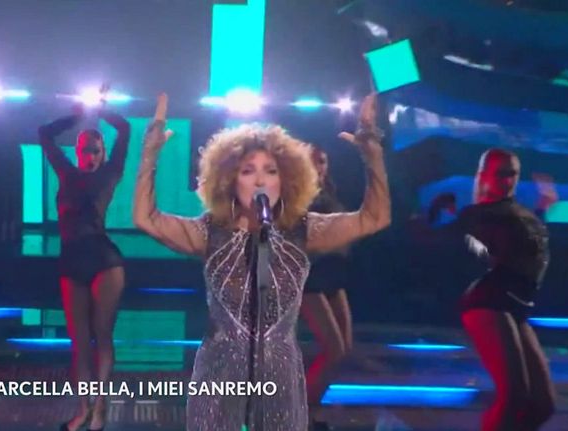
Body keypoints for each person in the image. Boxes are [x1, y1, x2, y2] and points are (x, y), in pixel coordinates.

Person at [133, 93, 390, 431]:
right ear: (228, 179)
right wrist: (149, 155)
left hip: (280, 376)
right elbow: (146, 218)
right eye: (247, 171)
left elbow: (374, 218)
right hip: (219, 374)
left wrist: (372, 155)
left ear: (286, 179)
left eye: (270, 171)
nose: (259, 181)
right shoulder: (210, 232)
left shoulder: (302, 230)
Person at [429, 149, 557, 431]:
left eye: (512, 174)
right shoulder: (478, 215)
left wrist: (543, 207)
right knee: (514, 397)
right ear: (484, 175)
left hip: (516, 306)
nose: (507, 180)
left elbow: (528, 247)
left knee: (542, 404)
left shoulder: (516, 211)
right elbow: (468, 246)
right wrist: (438, 214)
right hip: (490, 302)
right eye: (500, 174)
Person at [37, 105, 130, 431]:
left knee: (102, 335)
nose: (90, 155)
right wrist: (77, 114)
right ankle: (83, 409)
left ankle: (100, 406)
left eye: (96, 150)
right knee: (79, 342)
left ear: (103, 153)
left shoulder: (111, 173)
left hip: (104, 259)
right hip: (72, 260)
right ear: (77, 151)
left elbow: (124, 128)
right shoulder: (67, 172)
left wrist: (100, 109)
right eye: (85, 149)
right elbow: (44, 134)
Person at [300, 147, 354, 430]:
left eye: (323, 161)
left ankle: (310, 409)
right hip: (311, 276)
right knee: (334, 349)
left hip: (334, 273)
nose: (320, 166)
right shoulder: (295, 196)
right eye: (314, 161)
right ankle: (302, 413)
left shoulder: (330, 194)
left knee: (344, 351)